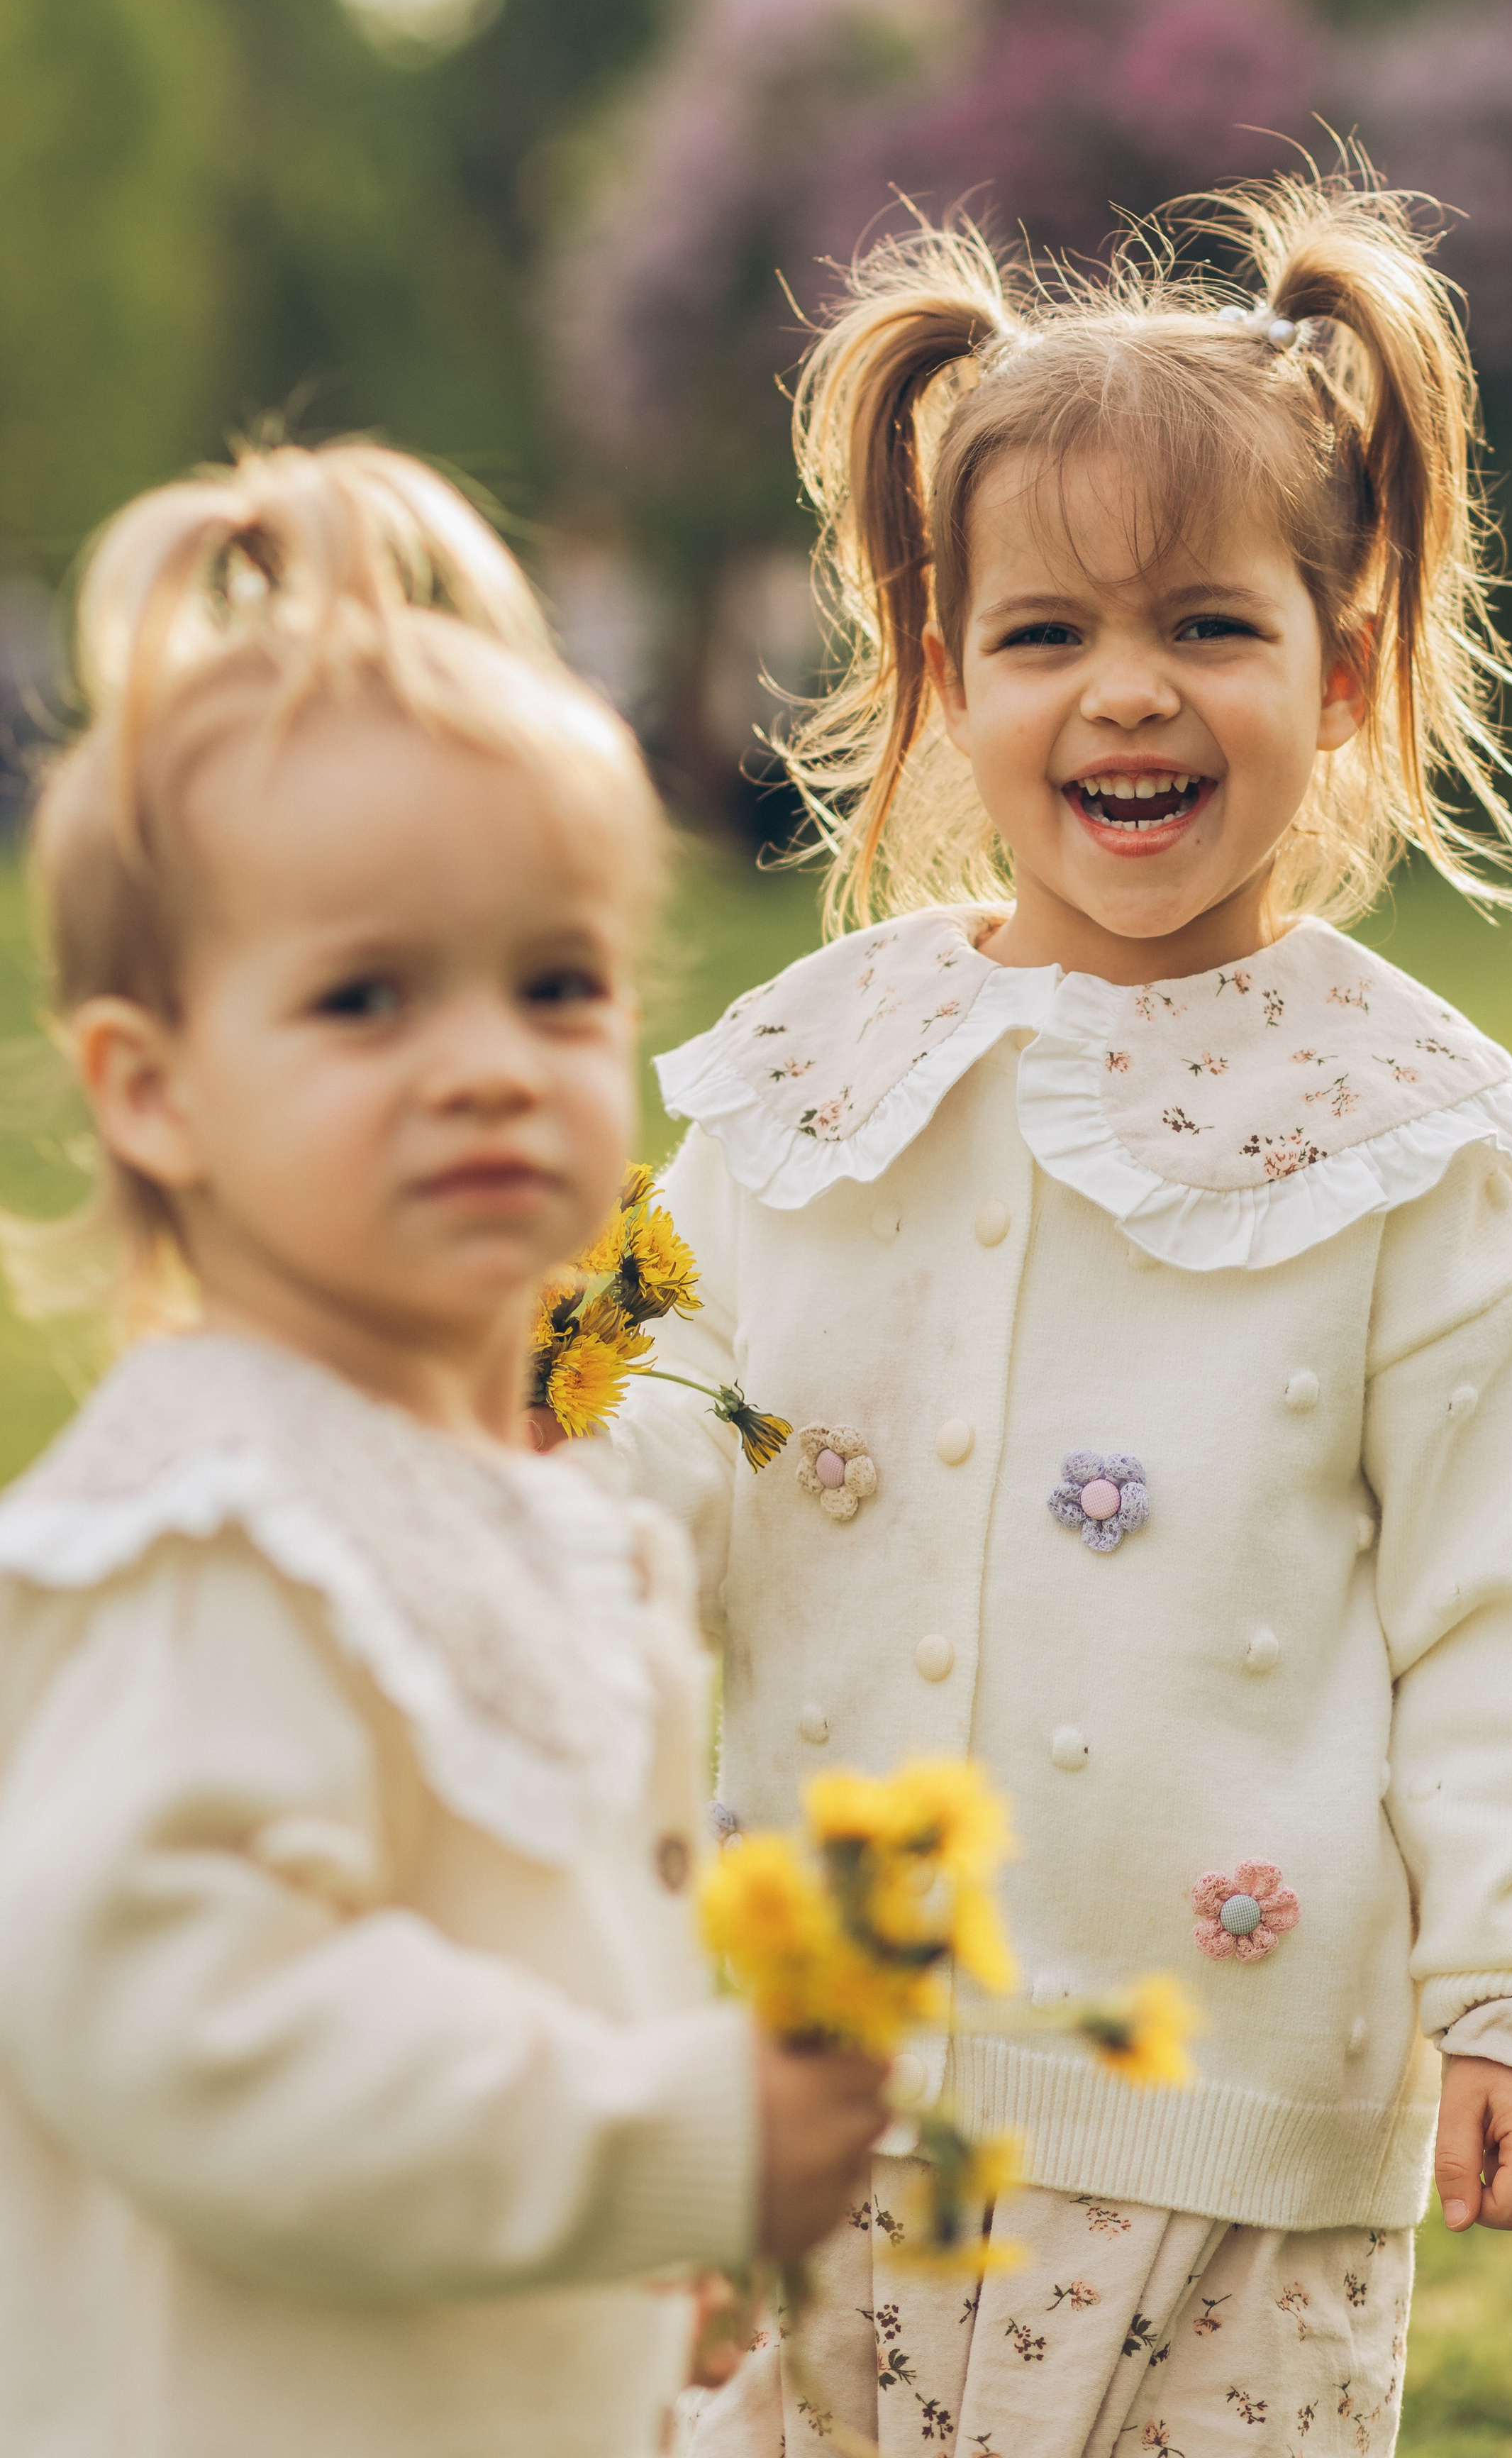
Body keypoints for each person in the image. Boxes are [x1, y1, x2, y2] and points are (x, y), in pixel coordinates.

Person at [606, 167, 1512, 2457]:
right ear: (940, 677)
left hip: (1231, 2124)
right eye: (1046, 635)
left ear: (1346, 663)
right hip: (814, 2084)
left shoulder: (1414, 1153)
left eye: (1208, 623)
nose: (1127, 694)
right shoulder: (805, 1079)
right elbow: (640, 1417)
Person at [0, 441, 887, 2458]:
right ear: (153, 1091)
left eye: (555, 985)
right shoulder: (209, 1537)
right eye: (367, 997)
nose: (488, 1059)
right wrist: (675, 2139)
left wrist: (651, 2247)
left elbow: (544, 1943)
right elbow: (206, 2031)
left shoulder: (530, 1498)